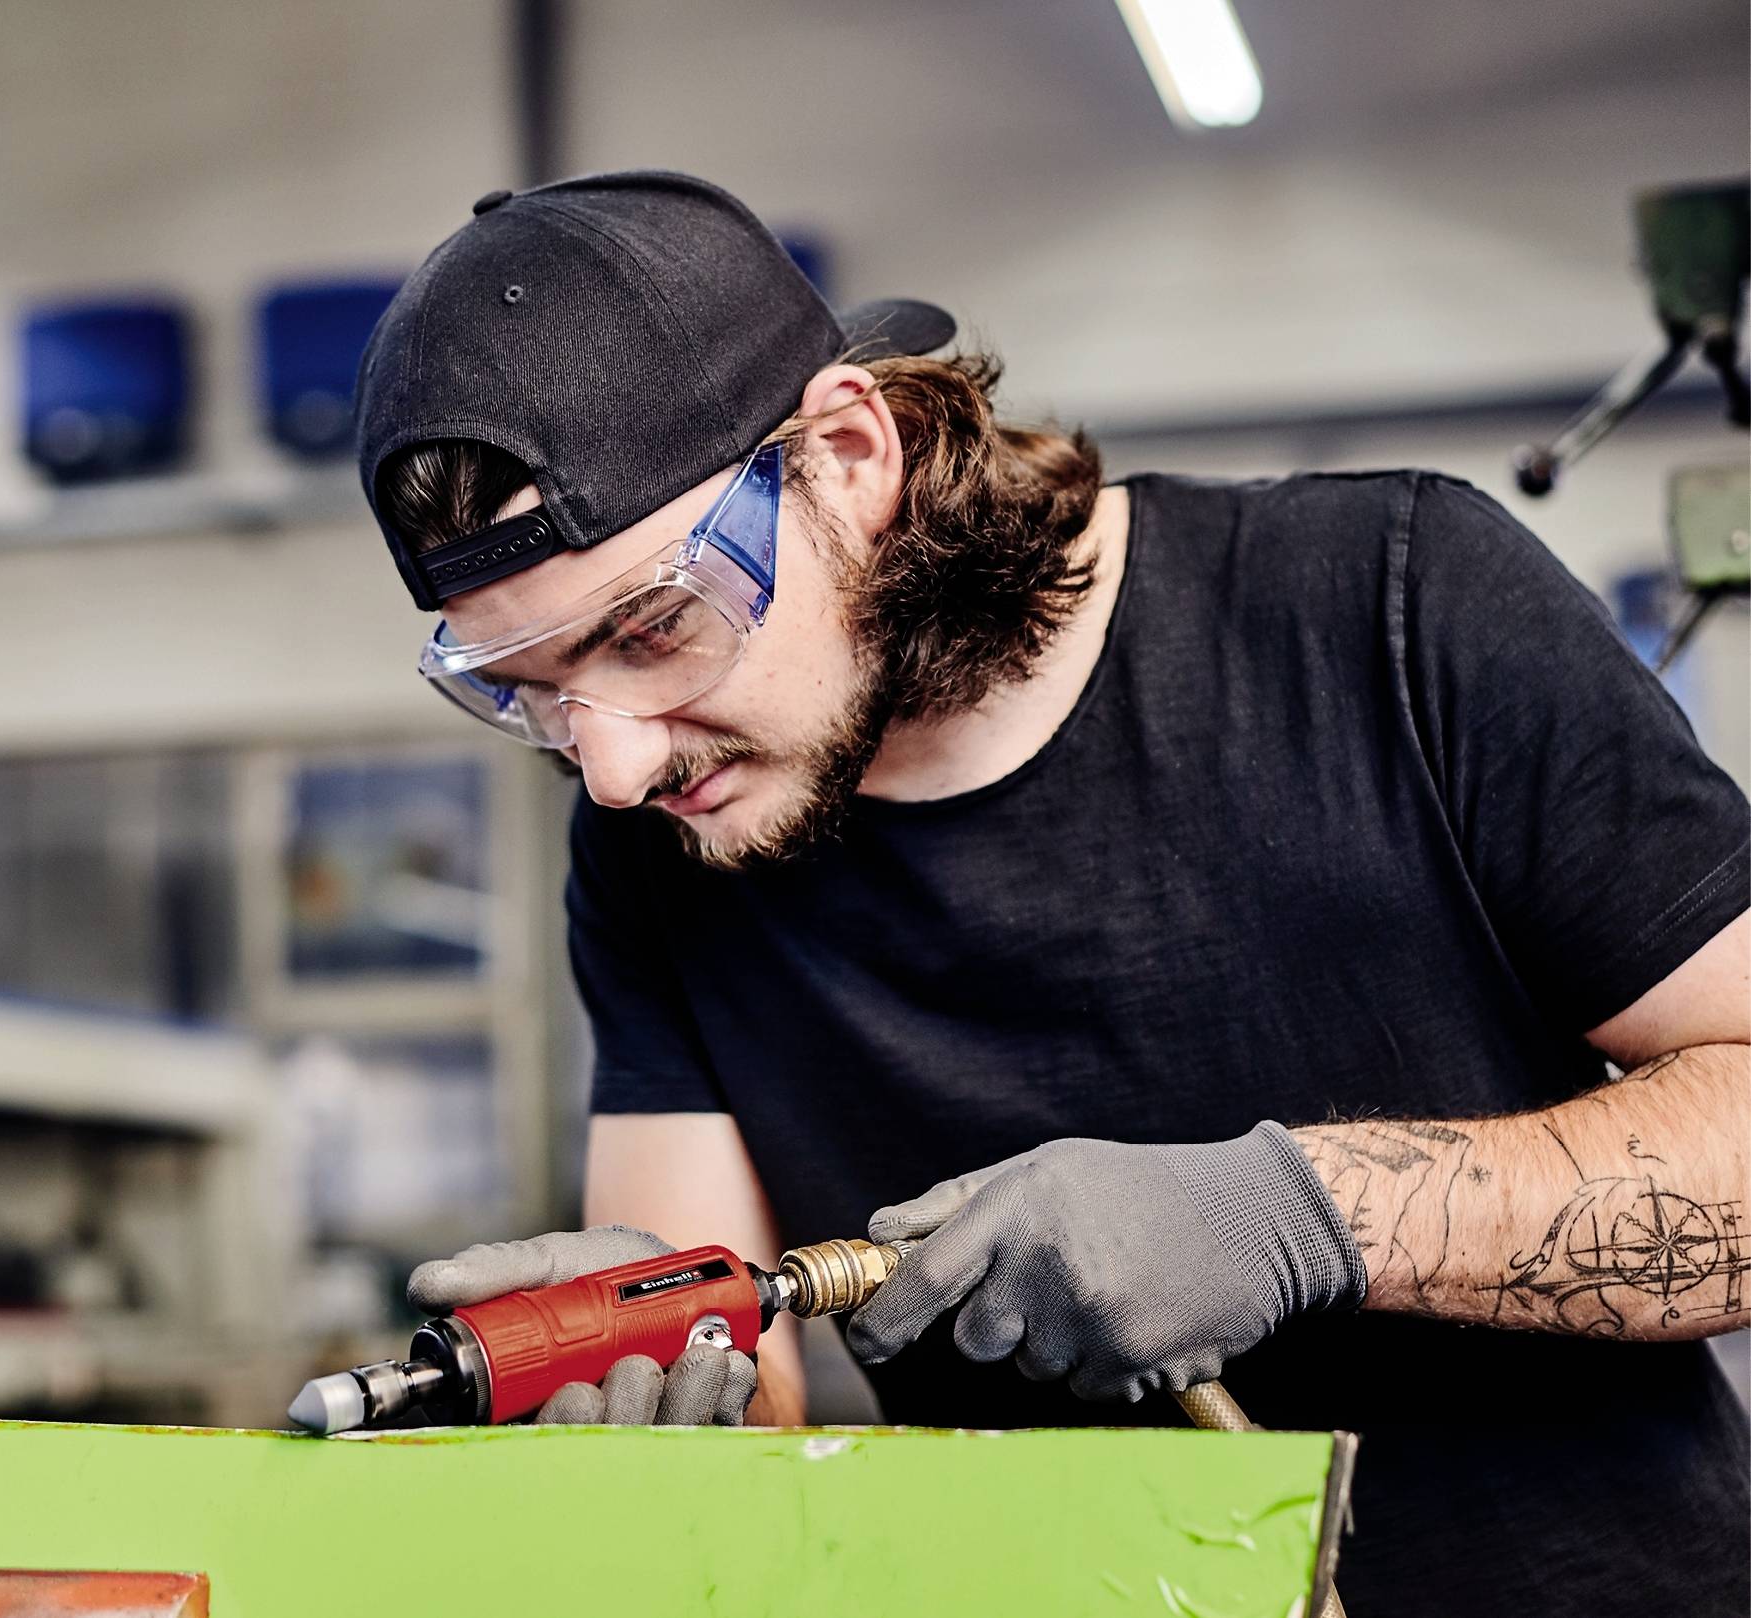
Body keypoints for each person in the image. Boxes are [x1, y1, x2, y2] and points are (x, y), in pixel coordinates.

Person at [357, 172, 1749, 1615]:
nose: (614, 768)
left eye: (654, 629)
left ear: (846, 453)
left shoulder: (1391, 608)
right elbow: (741, 1378)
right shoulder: (660, 847)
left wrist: (1299, 1215)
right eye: (530, 694)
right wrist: (653, 1373)